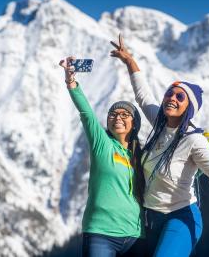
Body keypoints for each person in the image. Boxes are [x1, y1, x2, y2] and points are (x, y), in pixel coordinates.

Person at [110, 35, 209, 257]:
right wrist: (129, 60)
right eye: (169, 93)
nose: (172, 98)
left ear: (188, 107)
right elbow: (143, 95)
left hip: (180, 218)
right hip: (149, 219)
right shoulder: (159, 122)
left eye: (180, 97)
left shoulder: (194, 140)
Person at [59, 57, 145, 257]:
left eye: (124, 114)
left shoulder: (142, 155)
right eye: (113, 114)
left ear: (135, 123)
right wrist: (71, 81)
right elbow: (86, 113)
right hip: (101, 233)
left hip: (136, 235)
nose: (118, 117)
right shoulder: (102, 144)